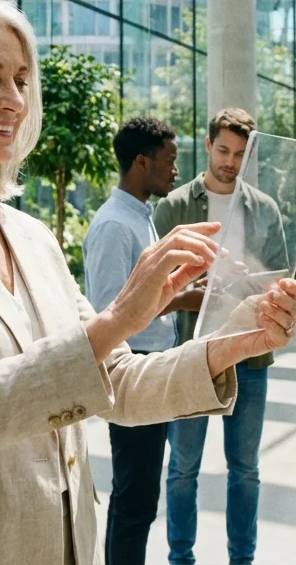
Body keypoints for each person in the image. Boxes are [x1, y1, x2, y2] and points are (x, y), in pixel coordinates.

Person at [0, 0, 296, 565]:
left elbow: (117, 383)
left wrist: (235, 341)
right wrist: (117, 319)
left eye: (22, 81)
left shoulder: (32, 236)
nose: (14, 101)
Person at [154, 108, 287, 565]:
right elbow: (160, 287)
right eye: (223, 150)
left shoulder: (264, 209)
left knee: (245, 470)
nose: (229, 162)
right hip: (192, 354)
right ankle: (180, 559)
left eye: (239, 154)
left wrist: (259, 285)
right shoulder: (173, 206)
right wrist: (202, 288)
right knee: (182, 469)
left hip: (248, 356)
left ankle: (241, 560)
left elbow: (280, 276)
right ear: (208, 146)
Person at [82, 116, 185, 565]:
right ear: (141, 162)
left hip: (152, 362)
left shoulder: (141, 217)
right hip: (132, 367)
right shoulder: (114, 227)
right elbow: (110, 312)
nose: (175, 171)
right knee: (133, 496)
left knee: (141, 494)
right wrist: (184, 299)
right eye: (169, 161)